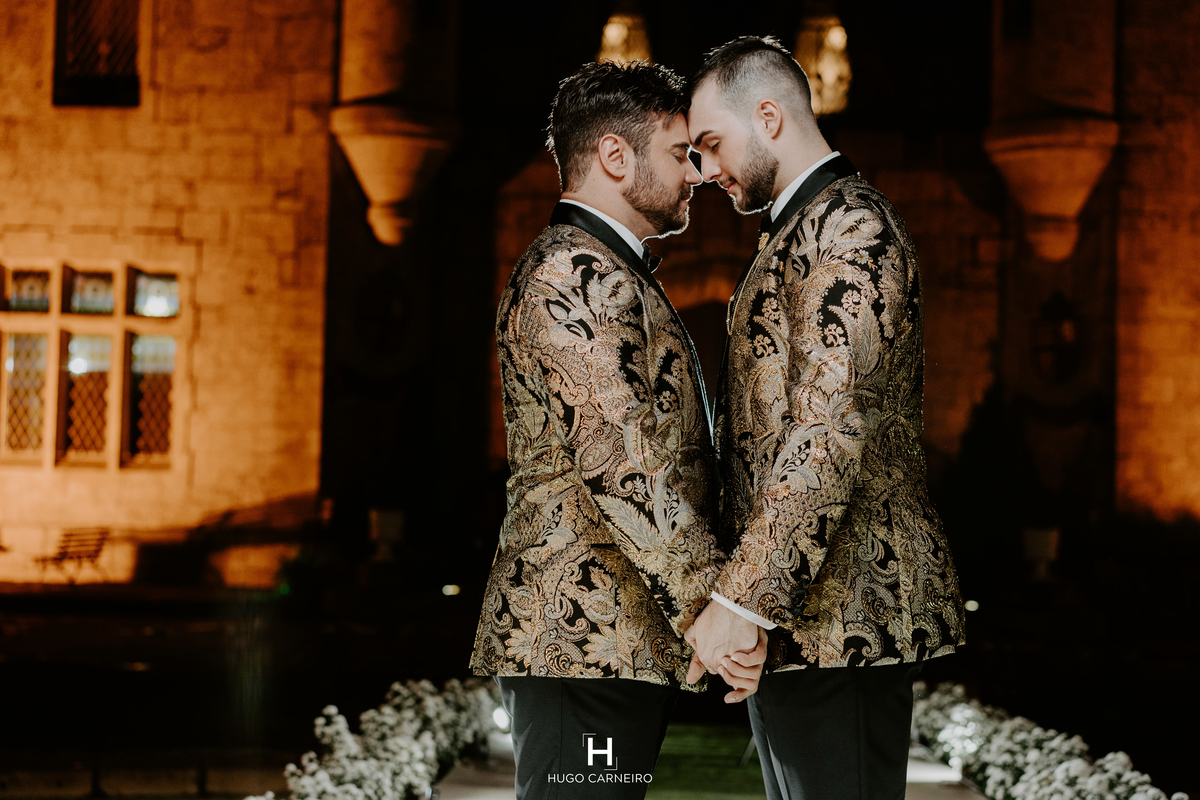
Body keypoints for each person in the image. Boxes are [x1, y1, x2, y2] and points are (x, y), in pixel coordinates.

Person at [470, 60, 765, 800]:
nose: (696, 173)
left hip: (611, 641)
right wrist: (712, 611)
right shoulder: (570, 271)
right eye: (678, 153)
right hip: (579, 639)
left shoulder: (607, 268)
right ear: (614, 155)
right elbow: (621, 460)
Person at [684, 36, 967, 800]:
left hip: (849, 616)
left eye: (711, 143)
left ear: (768, 116)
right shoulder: (799, 229)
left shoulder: (852, 229)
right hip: (798, 623)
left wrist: (742, 600)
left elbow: (829, 429)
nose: (703, 169)